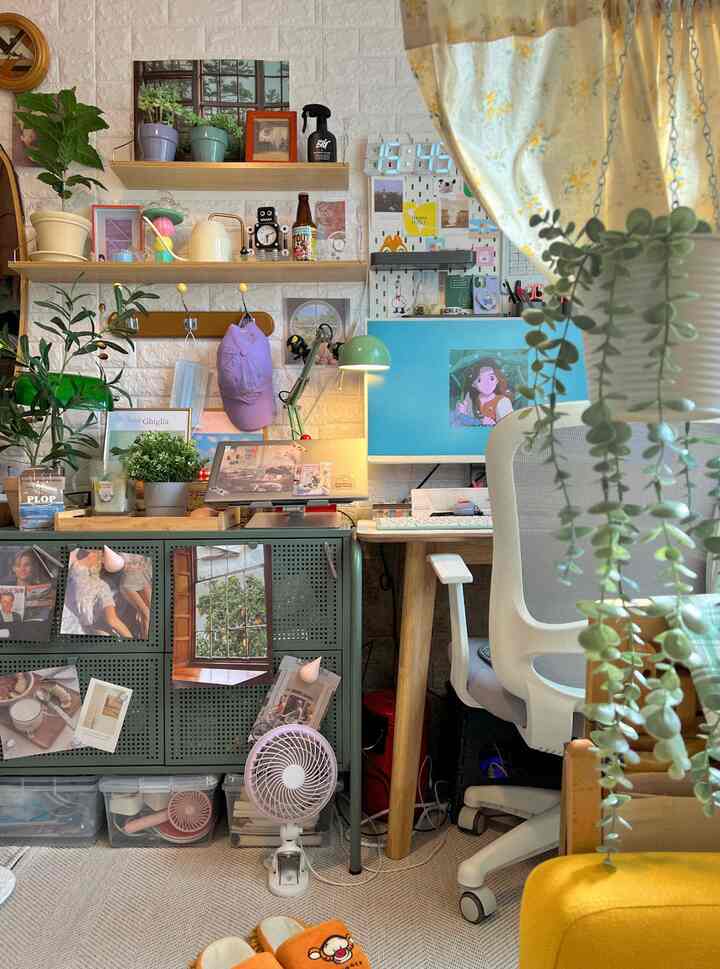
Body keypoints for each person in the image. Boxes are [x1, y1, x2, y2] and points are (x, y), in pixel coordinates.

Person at [62, 549, 133, 638]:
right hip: (87, 620)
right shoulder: (77, 554)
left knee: (110, 622)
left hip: (100, 591)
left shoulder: (102, 557)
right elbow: (112, 621)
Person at [453, 359, 514, 427]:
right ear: (473, 383)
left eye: (491, 378)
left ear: (497, 379)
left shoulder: (503, 401)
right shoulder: (471, 397)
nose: (486, 384)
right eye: (480, 380)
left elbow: (507, 427)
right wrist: (461, 413)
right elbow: (463, 421)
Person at [6, 549, 55, 622]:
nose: (22, 569)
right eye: (18, 565)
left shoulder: (45, 589)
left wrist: (52, 604)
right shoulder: (5, 586)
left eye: (26, 565)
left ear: (33, 567)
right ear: (13, 569)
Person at [117, 553, 152, 639]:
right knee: (146, 613)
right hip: (128, 581)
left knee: (150, 612)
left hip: (143, 576)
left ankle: (144, 636)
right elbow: (119, 566)